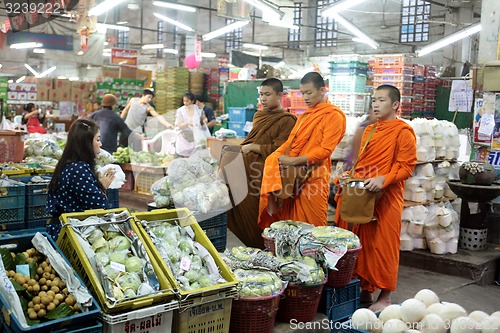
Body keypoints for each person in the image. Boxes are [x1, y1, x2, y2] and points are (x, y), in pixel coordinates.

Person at [334, 84, 417, 311]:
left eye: (381, 100)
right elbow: (360, 164)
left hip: (387, 197)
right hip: (362, 194)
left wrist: (384, 179)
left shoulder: (403, 132)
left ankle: (386, 295)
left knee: (383, 246)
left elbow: (406, 167)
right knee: (361, 245)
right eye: (374, 100)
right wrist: (345, 178)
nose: (376, 105)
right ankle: (365, 291)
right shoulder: (370, 130)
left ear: (395, 105)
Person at [258, 72, 346, 229]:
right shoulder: (305, 116)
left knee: (313, 227)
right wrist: (275, 157)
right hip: (292, 178)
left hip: (314, 178)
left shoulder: (333, 116)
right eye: (302, 93)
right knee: (289, 225)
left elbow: (325, 150)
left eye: (309, 93)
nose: (305, 97)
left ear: (322, 90)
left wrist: (292, 161)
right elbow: (290, 142)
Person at [222, 78, 297, 248]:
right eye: (261, 94)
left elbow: (280, 149)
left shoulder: (287, 120)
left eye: (267, 94)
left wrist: (253, 148)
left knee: (254, 212)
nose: (263, 98)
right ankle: (241, 245)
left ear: (279, 95)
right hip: (245, 169)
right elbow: (252, 139)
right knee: (233, 203)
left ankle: (257, 245)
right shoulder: (259, 115)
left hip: (262, 172)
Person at [45, 119, 115, 239]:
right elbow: (99, 205)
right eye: (97, 139)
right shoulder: (78, 169)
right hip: (70, 233)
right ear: (86, 143)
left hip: (67, 228)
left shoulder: (70, 164)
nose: (100, 144)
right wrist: (103, 187)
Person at [175, 92, 208, 157]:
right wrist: (187, 123)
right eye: (184, 101)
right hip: (184, 138)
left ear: (192, 101)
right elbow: (178, 125)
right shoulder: (180, 111)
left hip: (196, 138)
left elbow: (204, 118)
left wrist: (205, 121)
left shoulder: (198, 110)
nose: (185, 103)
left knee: (196, 157)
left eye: (187, 101)